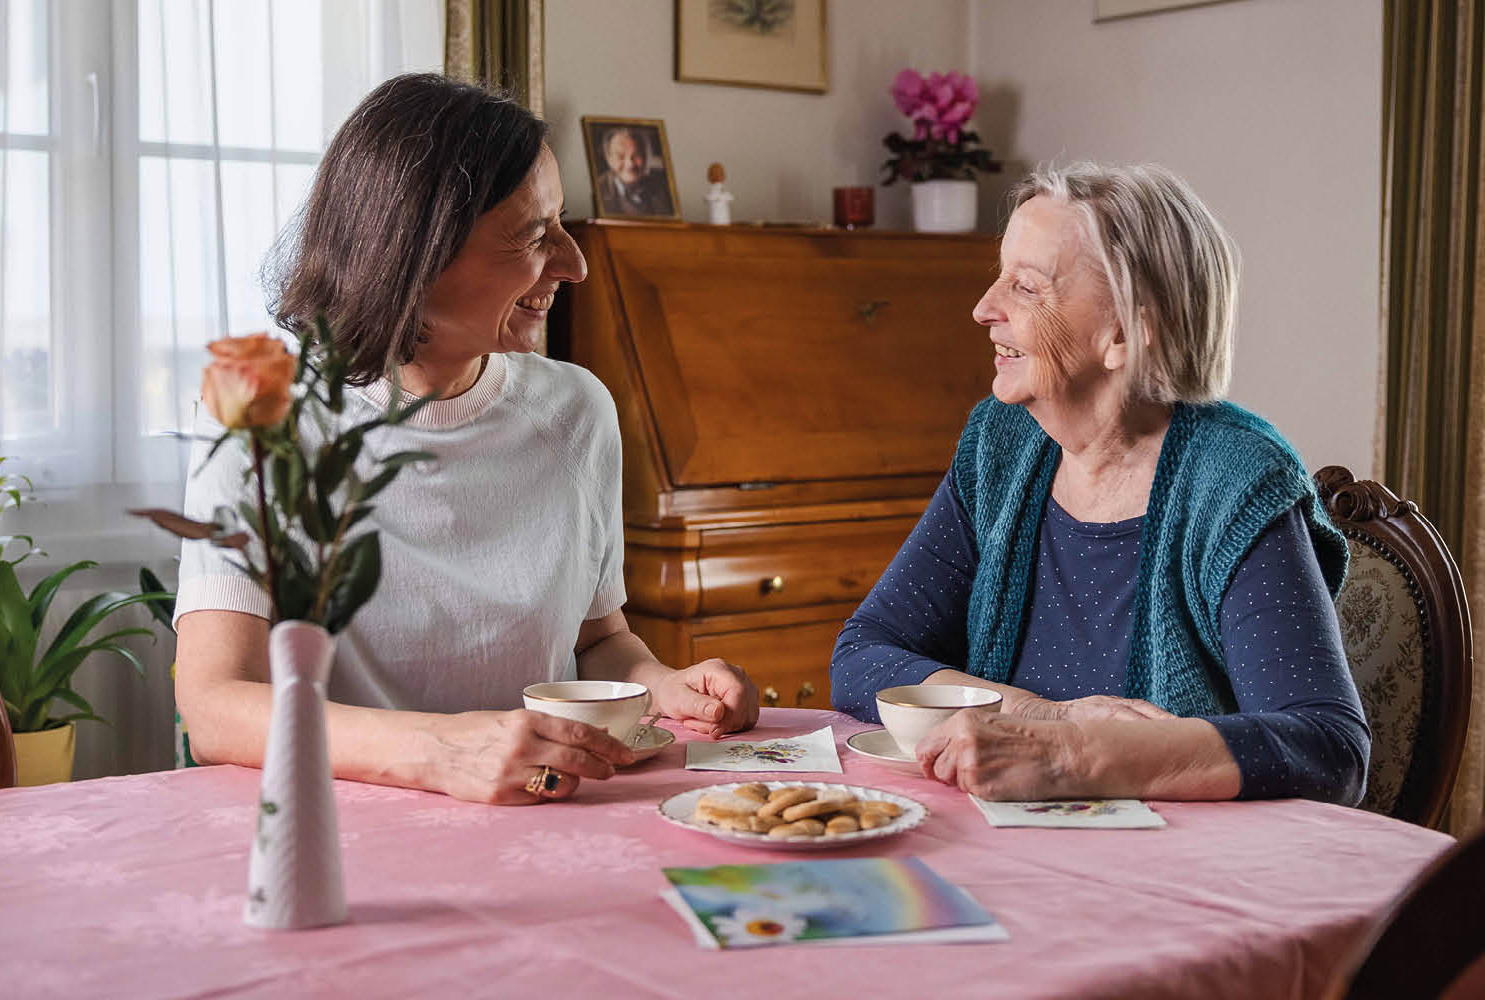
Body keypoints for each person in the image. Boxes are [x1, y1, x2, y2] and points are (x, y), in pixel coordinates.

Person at [172, 74, 760, 806]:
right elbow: (215, 708)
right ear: (414, 253)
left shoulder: (577, 410)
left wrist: (663, 685)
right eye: (534, 235)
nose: (575, 264)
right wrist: (440, 753)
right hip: (334, 830)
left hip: (541, 813)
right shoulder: (261, 415)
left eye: (563, 224)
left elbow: (598, 639)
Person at [830, 162, 1367, 805]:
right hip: (1008, 847)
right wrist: (1044, 718)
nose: (983, 309)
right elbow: (863, 655)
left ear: (1124, 333)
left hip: (1174, 875)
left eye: (1025, 287)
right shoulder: (1002, 447)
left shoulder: (1235, 481)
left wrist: (1080, 756)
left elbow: (1329, 748)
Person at [597, 127, 673, 217]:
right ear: (609, 159)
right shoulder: (599, 190)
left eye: (636, 154)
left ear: (645, 157)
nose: (630, 164)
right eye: (620, 156)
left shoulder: (663, 185)